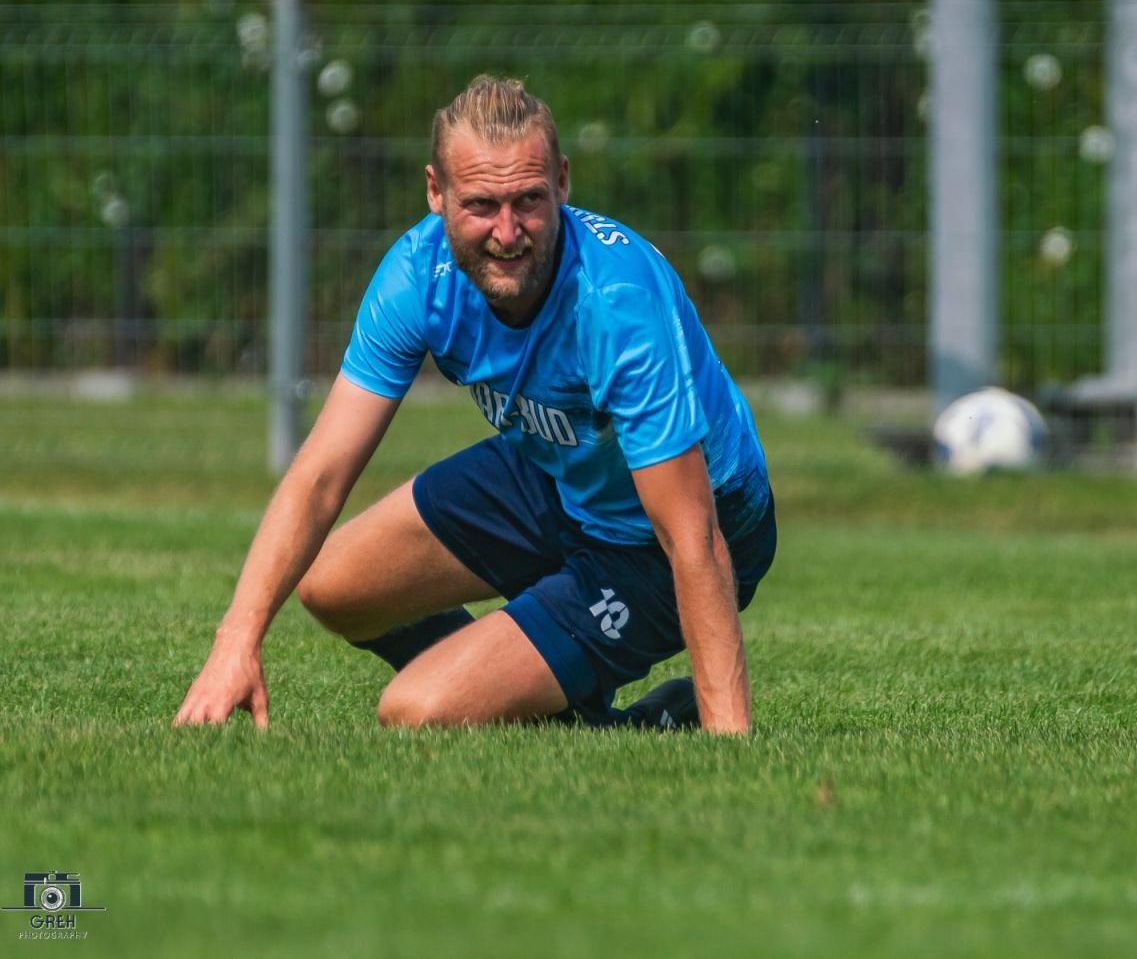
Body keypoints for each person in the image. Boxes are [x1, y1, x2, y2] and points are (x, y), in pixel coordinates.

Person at [173, 74, 775, 735]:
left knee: (416, 707)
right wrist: (237, 640)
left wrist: (731, 744)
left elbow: (693, 537)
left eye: (529, 201)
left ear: (564, 183)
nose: (508, 231)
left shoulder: (616, 304)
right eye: (482, 204)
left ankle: (619, 712)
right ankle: (558, 699)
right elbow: (319, 477)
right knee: (332, 584)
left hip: (670, 533)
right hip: (555, 469)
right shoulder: (415, 277)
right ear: (436, 192)